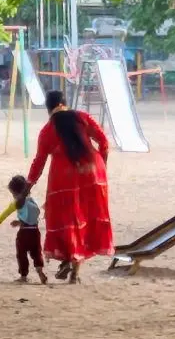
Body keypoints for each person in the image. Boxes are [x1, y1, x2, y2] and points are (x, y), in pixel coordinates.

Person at [25, 89, 113, 284]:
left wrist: (27, 188)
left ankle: (68, 257)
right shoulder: (82, 117)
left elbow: (38, 163)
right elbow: (104, 142)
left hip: (64, 178)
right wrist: (101, 167)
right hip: (92, 173)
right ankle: (75, 273)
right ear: (65, 103)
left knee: (68, 221)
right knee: (85, 220)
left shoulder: (47, 131)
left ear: (49, 109)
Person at [0, 175, 48, 284]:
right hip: (35, 232)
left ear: (16, 193)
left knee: (21, 253)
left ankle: (23, 276)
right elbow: (34, 217)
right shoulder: (31, 201)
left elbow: (6, 213)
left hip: (24, 233)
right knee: (36, 252)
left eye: (13, 194)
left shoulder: (17, 203)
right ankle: (40, 271)